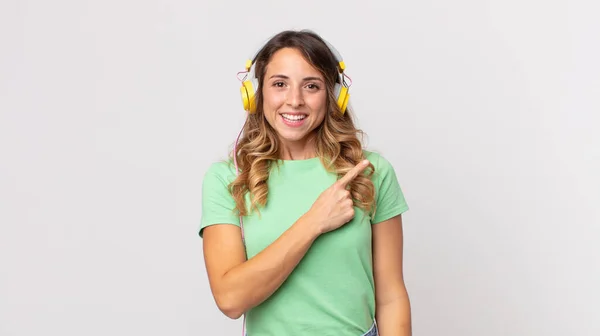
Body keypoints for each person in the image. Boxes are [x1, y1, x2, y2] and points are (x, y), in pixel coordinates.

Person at [199, 29, 411, 336]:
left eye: (311, 86)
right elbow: (231, 299)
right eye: (280, 84)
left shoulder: (370, 172)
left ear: (333, 95)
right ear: (256, 93)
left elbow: (391, 297)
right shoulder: (227, 179)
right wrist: (315, 221)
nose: (295, 100)